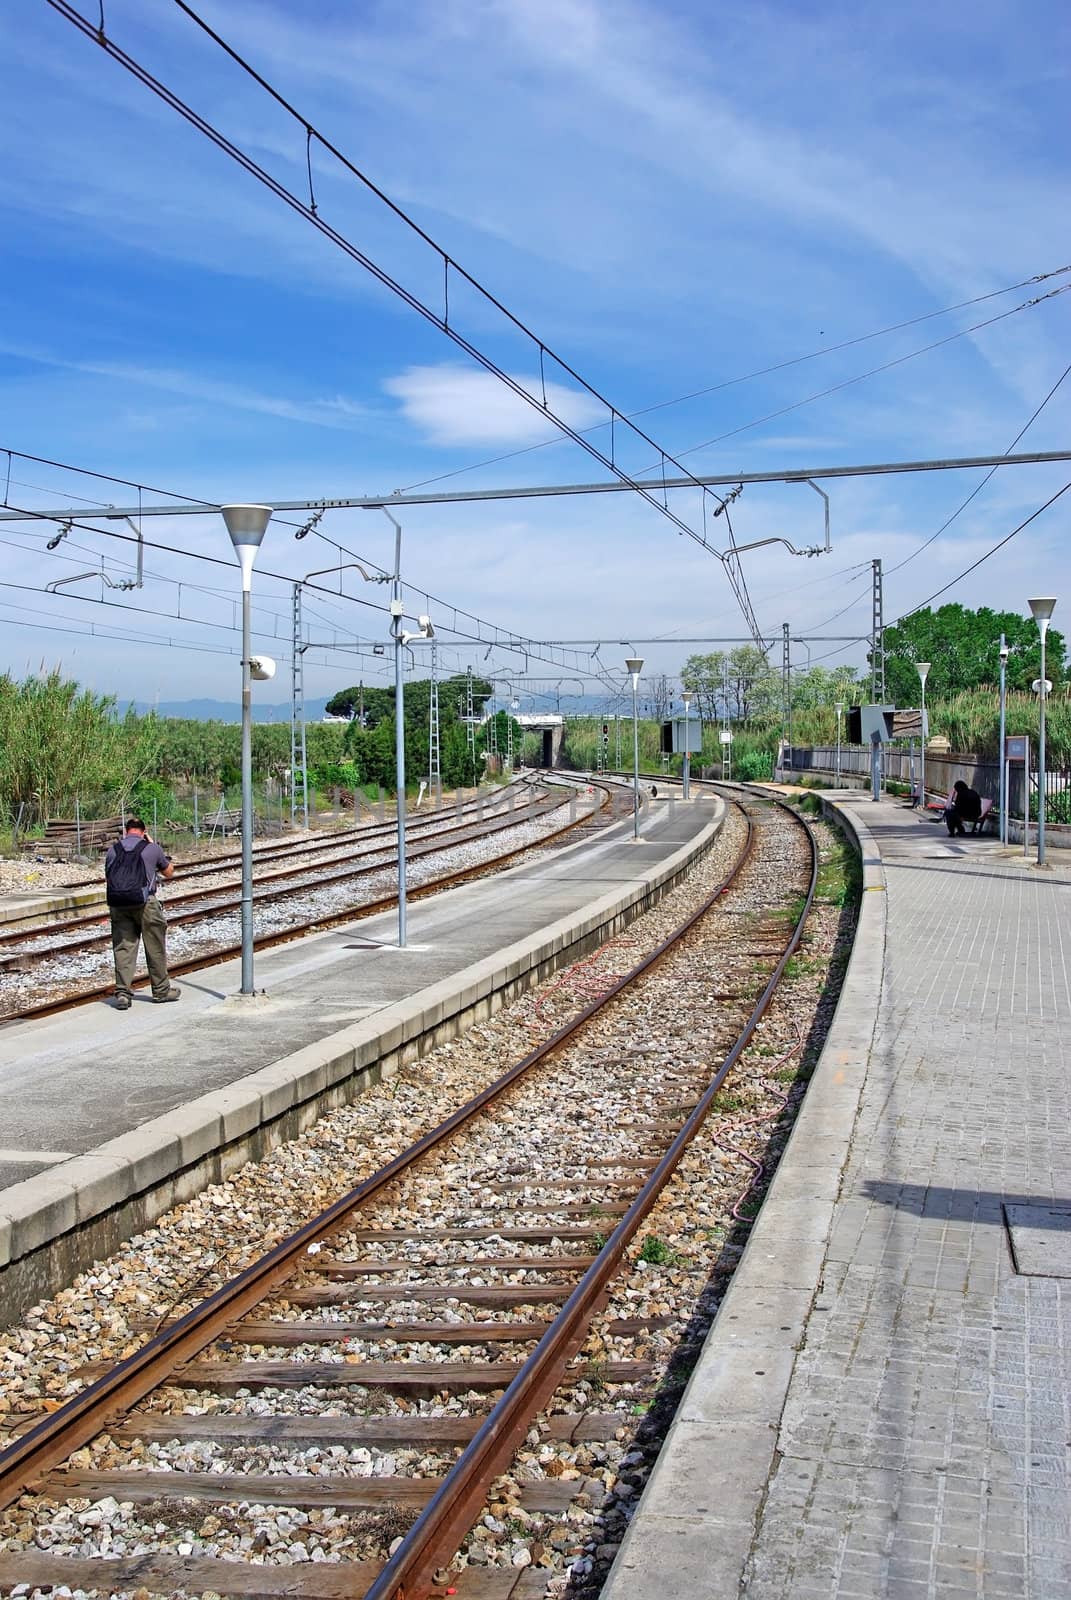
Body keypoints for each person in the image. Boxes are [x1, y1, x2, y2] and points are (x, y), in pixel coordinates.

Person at [104, 817, 179, 1008]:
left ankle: (122, 993)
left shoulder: (113, 850)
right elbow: (169, 872)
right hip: (146, 903)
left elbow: (108, 876)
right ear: (144, 831)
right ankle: (161, 991)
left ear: (125, 831)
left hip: (119, 904)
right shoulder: (151, 848)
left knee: (123, 948)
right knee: (154, 946)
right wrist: (154, 846)